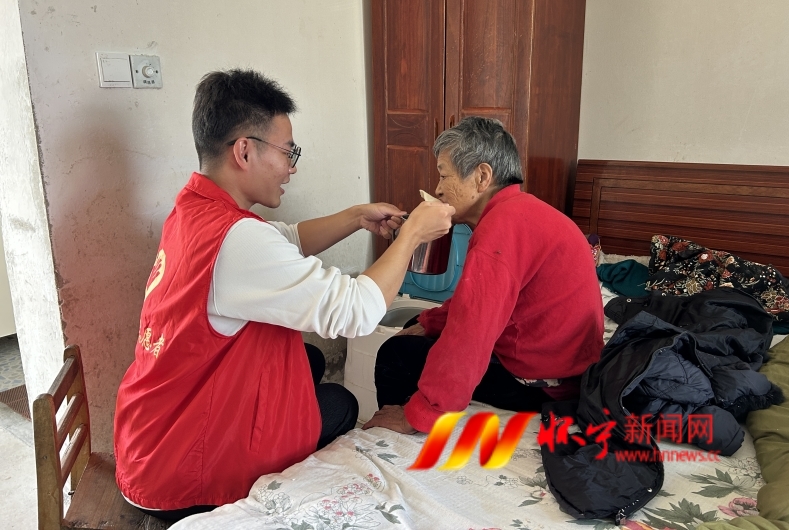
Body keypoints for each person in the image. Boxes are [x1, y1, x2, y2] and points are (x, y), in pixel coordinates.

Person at [113, 69, 454, 521]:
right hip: (180, 474)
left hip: (149, 440)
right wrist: (412, 236)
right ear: (244, 151)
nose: (292, 167)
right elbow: (355, 312)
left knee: (306, 360)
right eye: (287, 151)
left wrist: (357, 216)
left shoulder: (196, 211)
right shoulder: (237, 241)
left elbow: (284, 239)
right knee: (339, 404)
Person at [363, 116, 604, 435]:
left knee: (395, 354)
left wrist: (421, 414)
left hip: (546, 386)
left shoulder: (500, 230)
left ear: (481, 176)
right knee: (416, 324)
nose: (437, 189)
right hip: (569, 368)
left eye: (443, 175)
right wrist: (429, 323)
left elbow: (469, 335)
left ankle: (398, 433)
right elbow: (474, 300)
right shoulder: (523, 211)